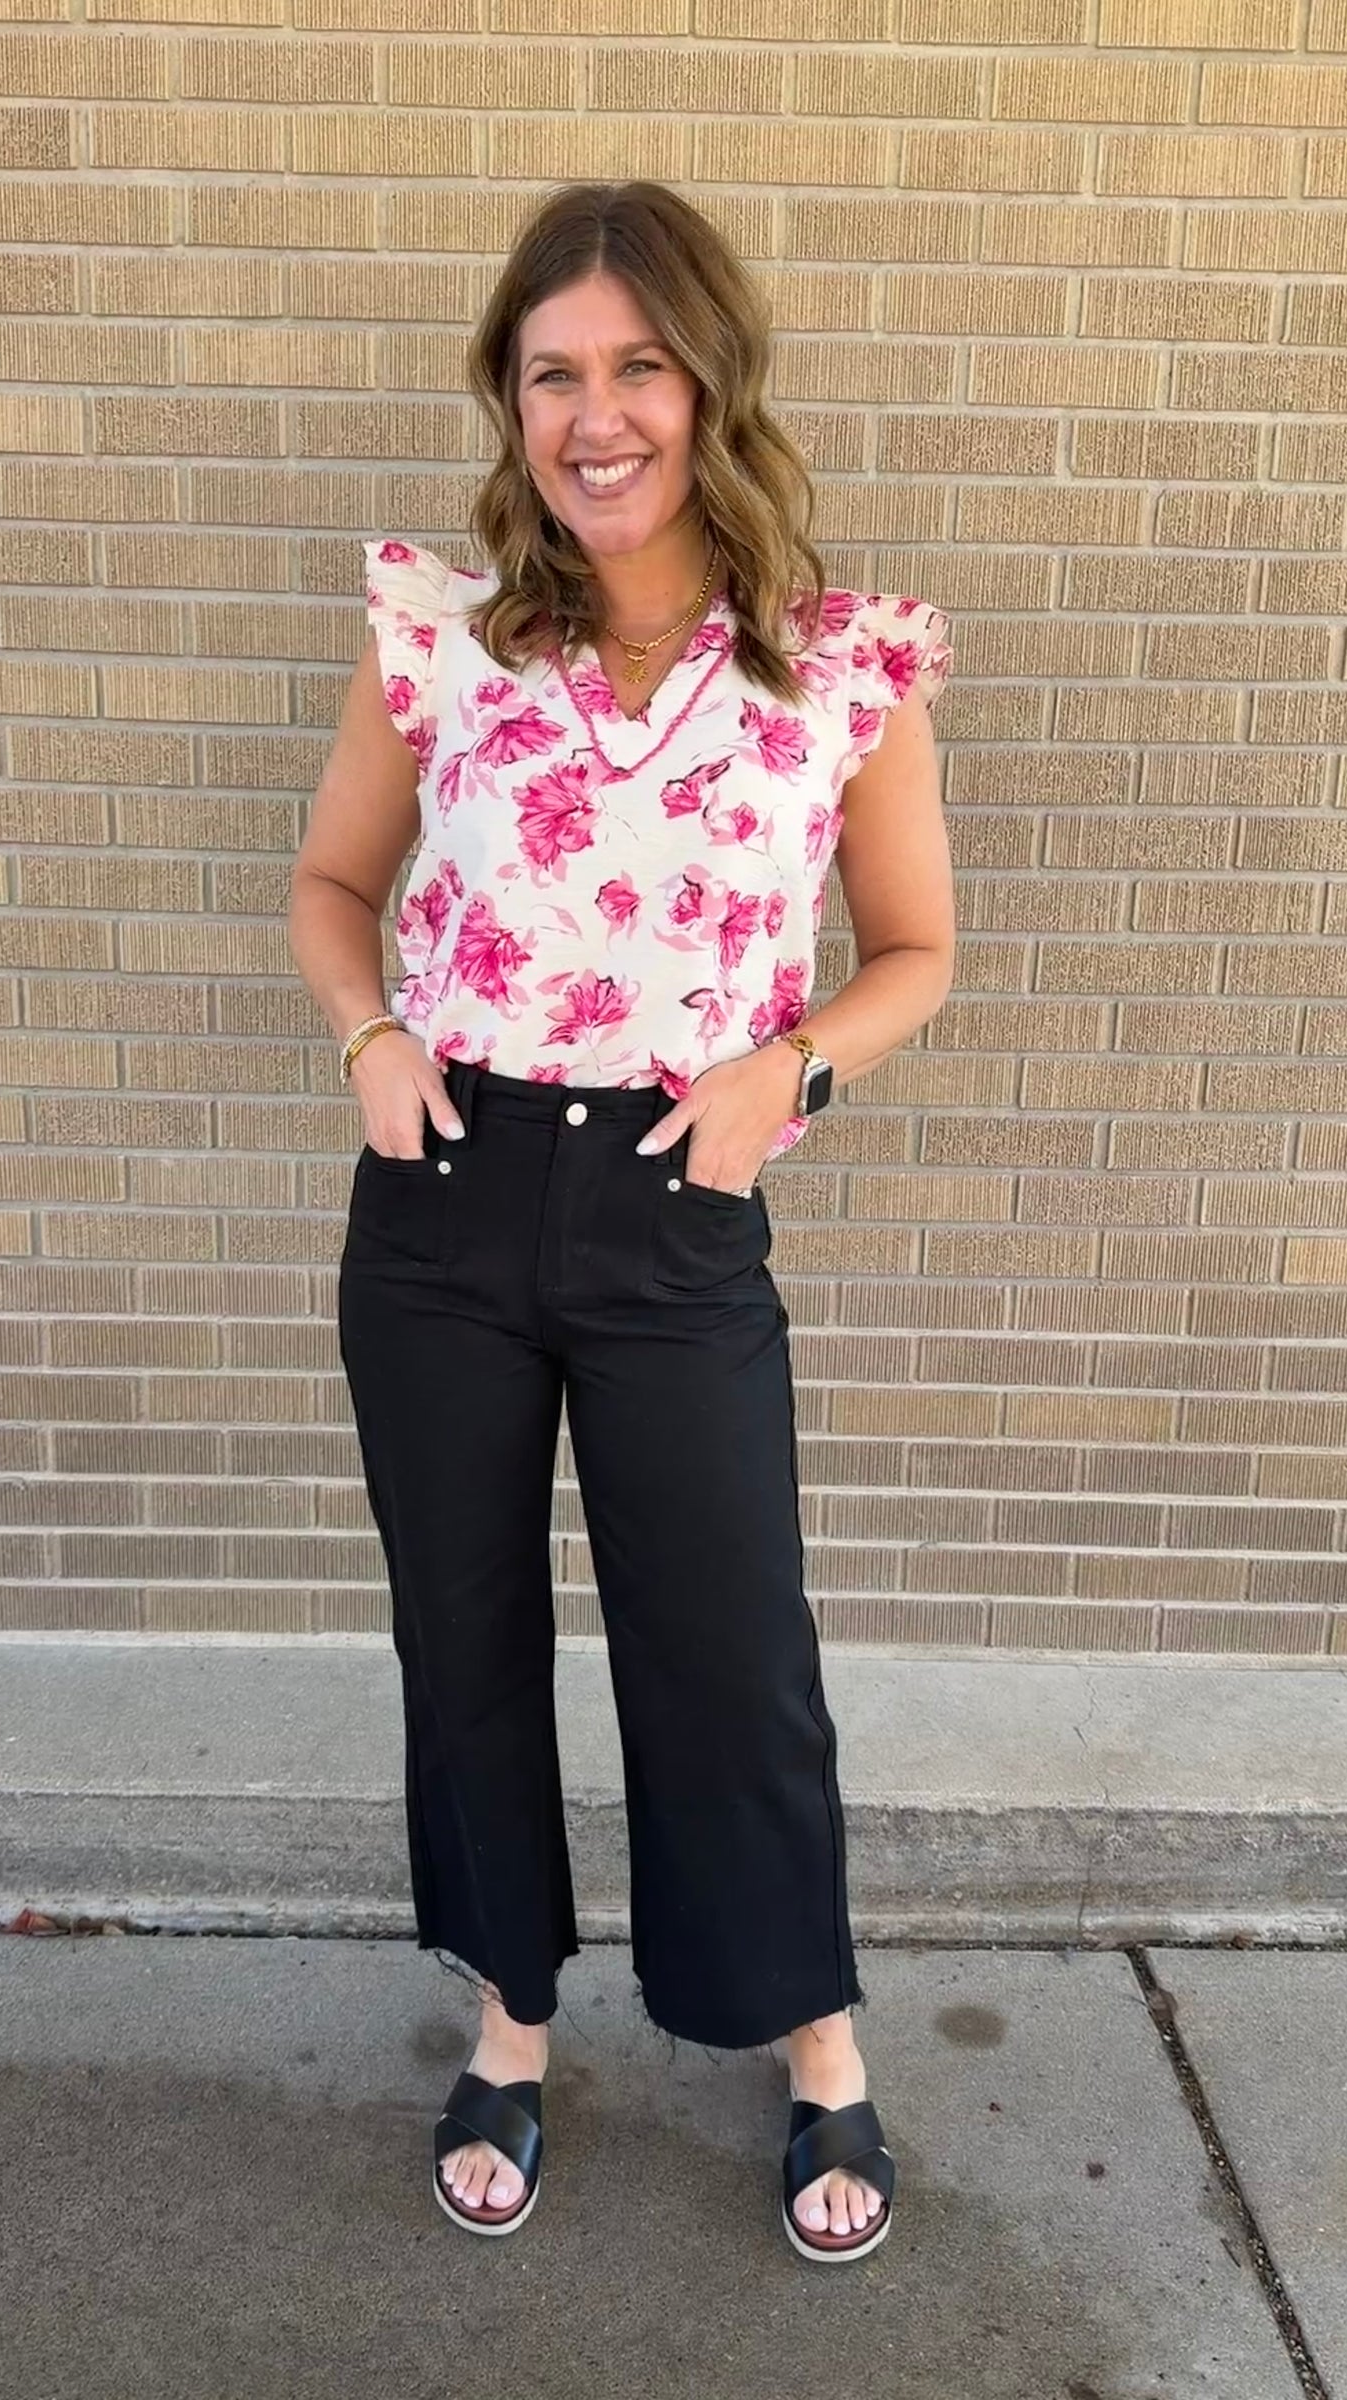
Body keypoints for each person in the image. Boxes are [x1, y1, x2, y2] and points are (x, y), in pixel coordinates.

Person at [287, 178, 954, 2265]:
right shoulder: (443, 631)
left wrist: (787, 1078)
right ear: (512, 396)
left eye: (636, 367)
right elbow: (328, 885)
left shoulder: (839, 660)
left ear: (706, 381)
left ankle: (814, 2040)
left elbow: (918, 947)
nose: (596, 415)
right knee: (463, 1637)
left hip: (678, 1210)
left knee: (730, 1647)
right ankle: (510, 2016)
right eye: (553, 371)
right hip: (448, 1197)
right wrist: (371, 1038)